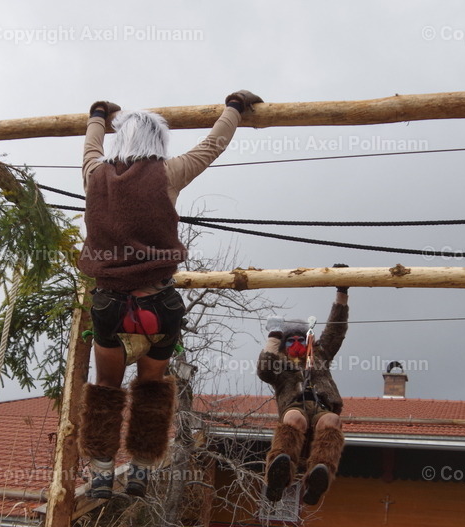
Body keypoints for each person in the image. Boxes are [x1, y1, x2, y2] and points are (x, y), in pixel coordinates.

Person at [78, 90, 263, 499]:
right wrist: (233, 106)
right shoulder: (168, 173)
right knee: (152, 385)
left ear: (119, 139)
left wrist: (97, 115)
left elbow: (91, 145)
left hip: (110, 303)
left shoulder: (94, 174)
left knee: (107, 389)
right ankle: (142, 469)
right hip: (160, 305)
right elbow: (214, 144)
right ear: (158, 142)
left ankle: (102, 475)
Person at [257, 273, 349, 506]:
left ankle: (320, 476)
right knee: (294, 418)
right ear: (285, 345)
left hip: (321, 405)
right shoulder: (280, 366)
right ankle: (278, 477)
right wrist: (274, 335)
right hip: (295, 406)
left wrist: (342, 292)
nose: (297, 343)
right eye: (291, 340)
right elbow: (263, 368)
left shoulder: (319, 356)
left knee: (331, 421)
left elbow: (335, 331)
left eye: (301, 339)